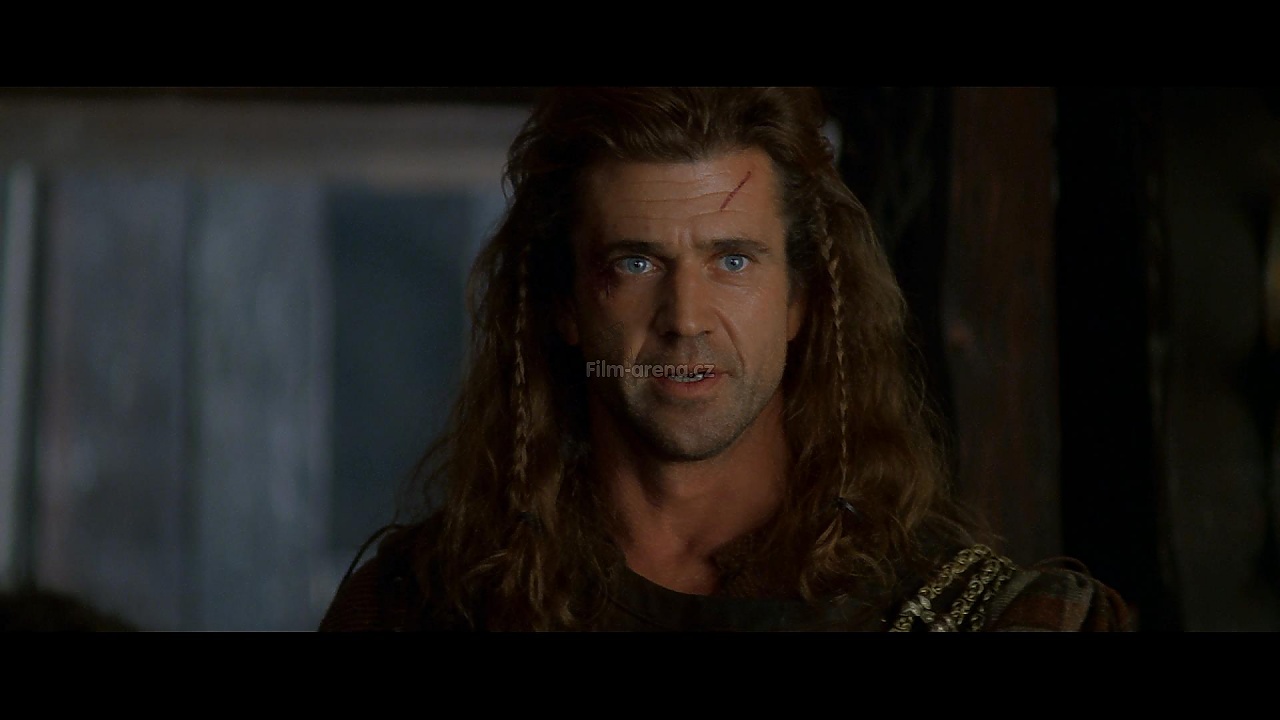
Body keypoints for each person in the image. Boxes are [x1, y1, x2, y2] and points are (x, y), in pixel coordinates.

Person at [319, 87, 1131, 632]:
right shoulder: (420, 608)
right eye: (636, 262)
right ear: (565, 305)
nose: (685, 319)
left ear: (801, 299)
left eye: (733, 260)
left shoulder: (984, 619)